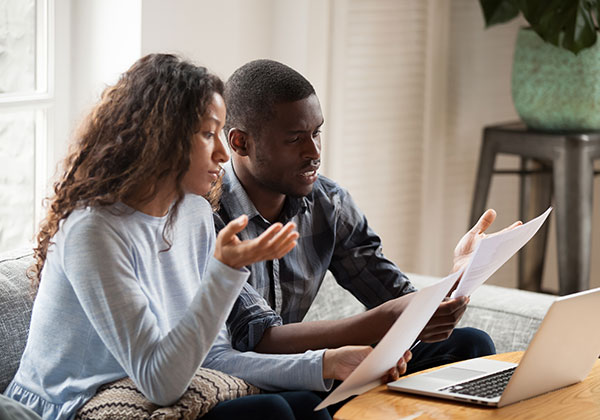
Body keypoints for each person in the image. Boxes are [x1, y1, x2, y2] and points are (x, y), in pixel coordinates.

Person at [2, 54, 346, 420]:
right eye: (208, 134)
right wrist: (224, 271)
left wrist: (325, 363)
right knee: (268, 413)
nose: (223, 153)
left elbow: (213, 358)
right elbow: (160, 382)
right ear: (161, 137)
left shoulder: (194, 214)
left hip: (150, 394)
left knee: (310, 403)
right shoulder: (93, 231)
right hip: (69, 405)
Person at [203, 59, 521, 404]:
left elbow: (394, 297)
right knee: (294, 403)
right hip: (250, 379)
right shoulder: (208, 216)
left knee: (470, 343)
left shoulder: (328, 202)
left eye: (316, 133)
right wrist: (388, 320)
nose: (314, 152)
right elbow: (258, 340)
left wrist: (462, 275)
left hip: (316, 367)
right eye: (295, 139)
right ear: (240, 143)